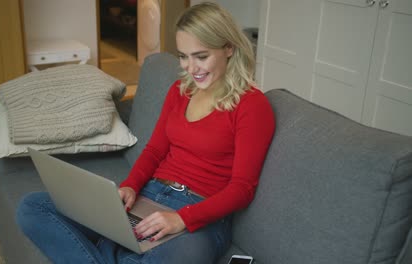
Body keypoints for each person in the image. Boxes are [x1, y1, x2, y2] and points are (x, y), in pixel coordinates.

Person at [16, 2, 275, 264]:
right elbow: (154, 150)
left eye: (201, 56)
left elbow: (242, 189)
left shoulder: (252, 105)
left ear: (228, 48)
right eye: (183, 56)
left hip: (200, 219)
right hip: (148, 196)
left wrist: (181, 218)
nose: (190, 67)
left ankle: (108, 250)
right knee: (32, 208)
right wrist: (130, 185)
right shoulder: (179, 91)